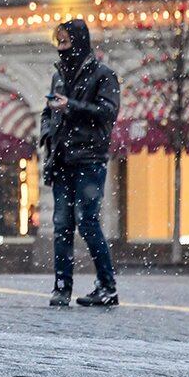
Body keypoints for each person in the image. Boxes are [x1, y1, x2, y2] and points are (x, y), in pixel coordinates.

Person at [40, 19, 121, 307]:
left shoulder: (103, 75)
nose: (61, 49)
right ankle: (61, 286)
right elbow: (47, 112)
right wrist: (48, 134)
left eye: (65, 42)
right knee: (61, 224)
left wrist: (71, 107)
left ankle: (107, 285)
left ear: (79, 42)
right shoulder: (59, 75)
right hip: (62, 158)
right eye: (58, 43)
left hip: (88, 158)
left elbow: (107, 112)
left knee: (87, 223)